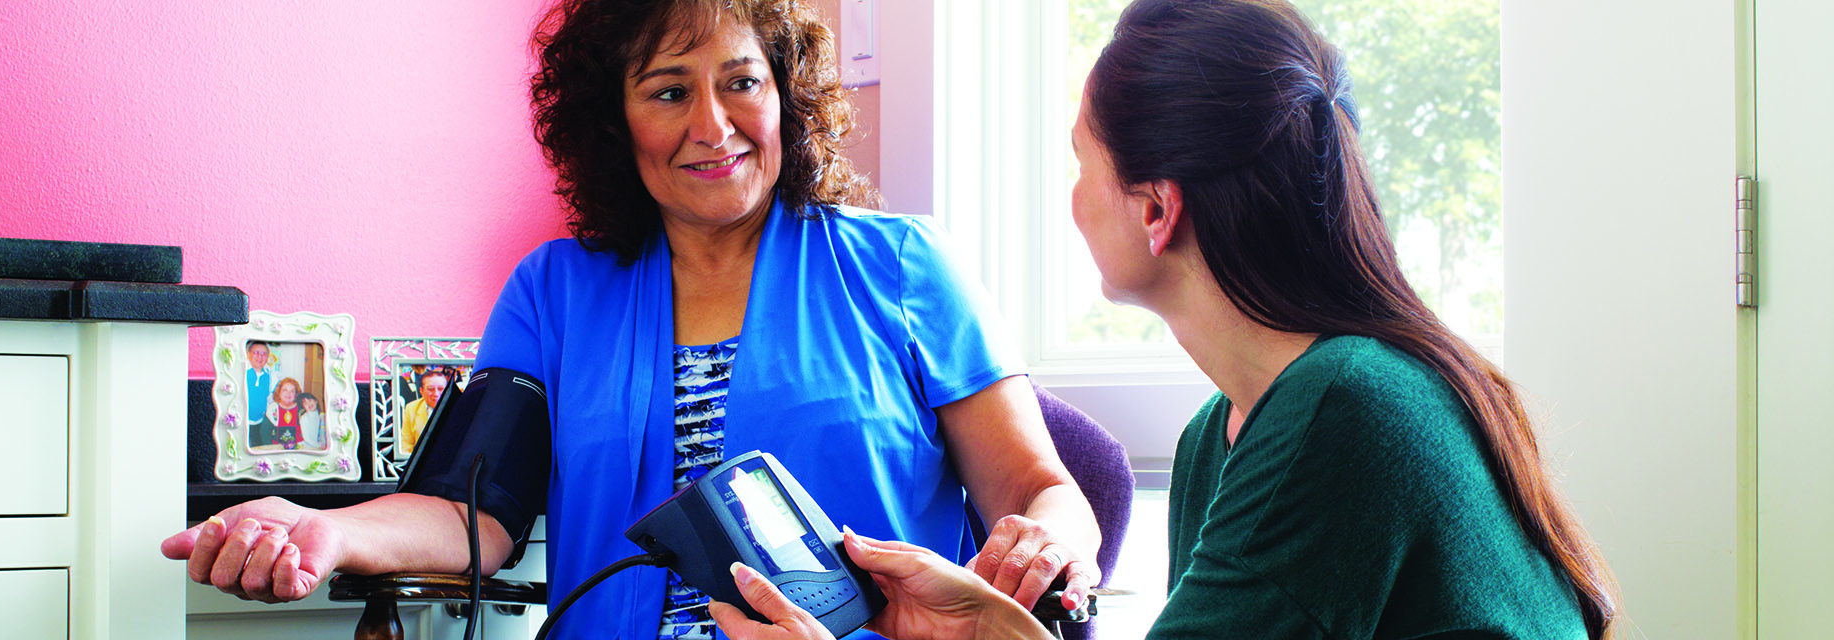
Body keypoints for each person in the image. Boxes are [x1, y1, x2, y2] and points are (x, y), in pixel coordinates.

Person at [160, 1, 1101, 638]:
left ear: (784, 92)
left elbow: (1038, 487)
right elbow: (476, 513)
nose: (714, 122)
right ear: (614, 122)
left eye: (742, 81)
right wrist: (332, 532)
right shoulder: (552, 293)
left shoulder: (904, 265)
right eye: (667, 90)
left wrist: (1051, 537)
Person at [712, 0, 1619, 638]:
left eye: (1081, 162)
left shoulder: (1348, 409)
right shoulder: (1213, 442)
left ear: (1156, 209)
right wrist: (991, 629)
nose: (1070, 198)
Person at [398, 368, 449, 457]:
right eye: (430, 389)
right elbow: (405, 444)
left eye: (441, 389)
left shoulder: (458, 406)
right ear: (421, 391)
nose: (436, 394)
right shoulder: (412, 408)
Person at [264, 377, 304, 450]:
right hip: (275, 450)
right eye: (285, 390)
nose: (288, 394)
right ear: (279, 392)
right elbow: (265, 434)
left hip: (297, 450)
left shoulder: (302, 410)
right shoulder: (272, 409)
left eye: (292, 391)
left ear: (296, 394)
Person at [243, 342, 272, 427]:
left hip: (261, 422)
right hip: (242, 422)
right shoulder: (241, 372)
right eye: (256, 353)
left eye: (264, 354)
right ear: (248, 354)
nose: (260, 357)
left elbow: (271, 398)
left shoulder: (270, 375)